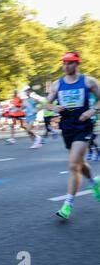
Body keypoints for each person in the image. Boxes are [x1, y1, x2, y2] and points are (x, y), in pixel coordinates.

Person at [46, 52, 100, 220]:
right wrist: (53, 108)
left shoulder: (89, 81)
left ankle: (67, 205)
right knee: (80, 162)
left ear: (77, 64)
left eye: (69, 63)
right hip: (67, 127)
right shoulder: (57, 84)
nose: (66, 66)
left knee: (73, 165)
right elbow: (47, 103)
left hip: (84, 126)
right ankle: (95, 183)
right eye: (64, 63)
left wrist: (93, 110)